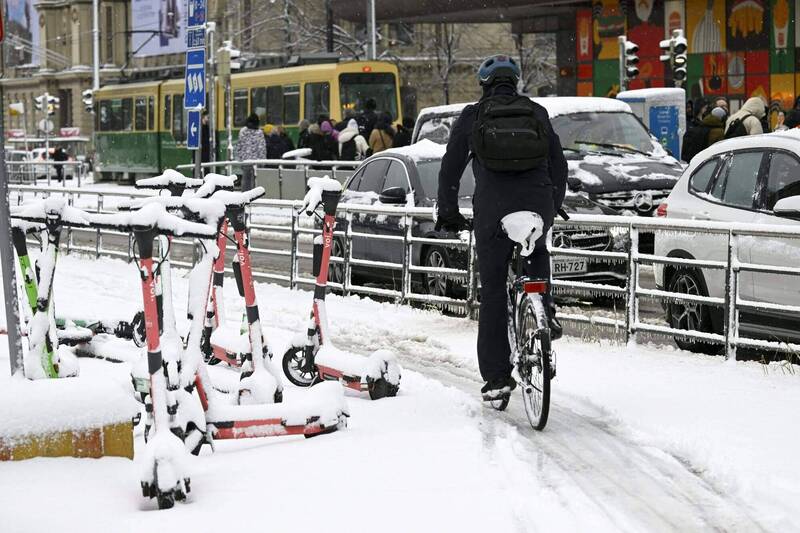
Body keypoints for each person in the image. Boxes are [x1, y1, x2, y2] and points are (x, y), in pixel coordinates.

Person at [436, 54, 567, 401]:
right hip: (537, 203)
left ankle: (496, 378)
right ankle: (545, 311)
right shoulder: (536, 112)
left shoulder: (472, 116)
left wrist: (448, 212)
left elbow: (450, 169)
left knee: (494, 289)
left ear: (484, 85)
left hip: (493, 210)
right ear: (516, 82)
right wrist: (552, 204)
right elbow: (559, 163)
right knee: (537, 249)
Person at [235, 113, 266, 191]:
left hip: (246, 161)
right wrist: (263, 161)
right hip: (257, 161)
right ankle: (255, 196)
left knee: (246, 180)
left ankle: (245, 197)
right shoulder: (259, 132)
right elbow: (261, 148)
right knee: (256, 182)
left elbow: (239, 146)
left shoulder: (242, 131)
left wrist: (240, 159)